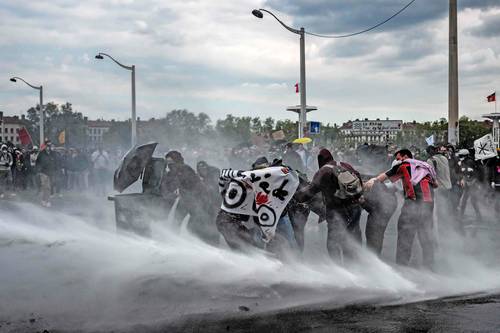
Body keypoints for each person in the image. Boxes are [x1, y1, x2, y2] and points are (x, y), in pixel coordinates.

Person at [365, 149, 437, 269]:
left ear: (405, 157)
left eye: (398, 158)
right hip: (428, 206)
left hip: (412, 206)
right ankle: (430, 267)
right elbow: (436, 184)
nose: (397, 161)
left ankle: (402, 268)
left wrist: (367, 183)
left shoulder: (403, 165)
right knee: (426, 237)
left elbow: (379, 179)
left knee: (405, 237)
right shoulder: (424, 166)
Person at [295, 148, 364, 263]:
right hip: (355, 207)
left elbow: (311, 190)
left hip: (337, 210)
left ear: (320, 160)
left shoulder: (323, 171)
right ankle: (353, 266)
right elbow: (358, 179)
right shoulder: (344, 164)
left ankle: (338, 268)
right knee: (351, 237)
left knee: (333, 242)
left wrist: (297, 197)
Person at [426, 145, 454, 236]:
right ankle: (446, 229)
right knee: (446, 209)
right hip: (448, 187)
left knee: (438, 210)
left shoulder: (430, 161)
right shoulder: (444, 158)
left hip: (439, 188)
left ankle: (439, 232)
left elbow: (430, 176)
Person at [36, 141, 57, 207]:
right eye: (47, 145)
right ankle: (44, 200)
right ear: (45, 146)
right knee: (45, 187)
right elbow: (37, 162)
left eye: (50, 146)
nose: (49, 147)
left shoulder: (53, 153)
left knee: (48, 188)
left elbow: (56, 162)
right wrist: (38, 170)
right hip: (43, 172)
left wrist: (55, 169)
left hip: (51, 172)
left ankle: (46, 200)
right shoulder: (41, 153)